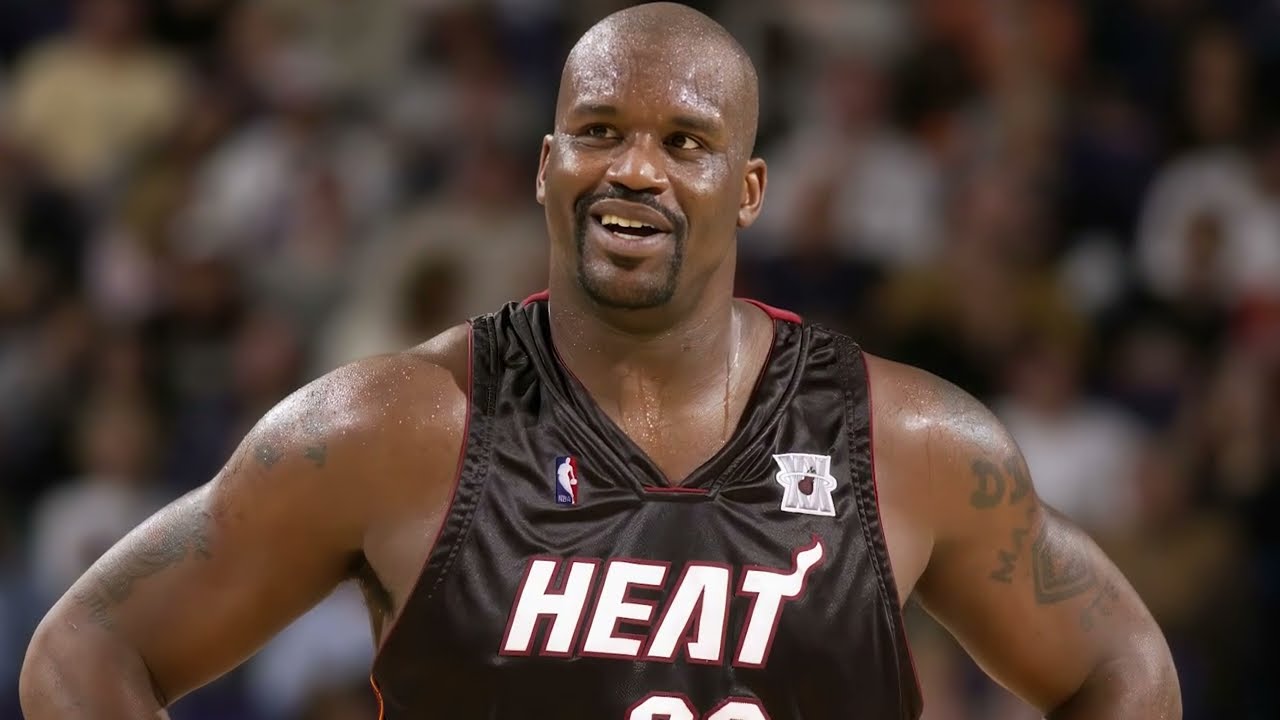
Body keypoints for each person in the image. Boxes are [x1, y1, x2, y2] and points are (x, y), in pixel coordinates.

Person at [20, 4, 1180, 718]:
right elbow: (85, 649)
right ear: (545, 165)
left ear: (748, 189)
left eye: (684, 142)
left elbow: (1122, 668)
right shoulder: (395, 427)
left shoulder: (904, 444)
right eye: (599, 131)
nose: (634, 169)